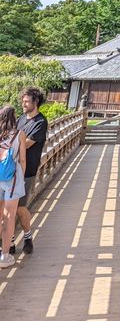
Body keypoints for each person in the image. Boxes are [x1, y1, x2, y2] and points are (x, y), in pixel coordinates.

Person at [11, 86, 48, 256]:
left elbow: (24, 144)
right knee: (6, 207)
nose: (23, 104)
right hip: (11, 169)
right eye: (23, 101)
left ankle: (27, 237)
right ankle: (10, 242)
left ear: (36, 102)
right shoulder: (20, 119)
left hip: (27, 171)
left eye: (26, 101)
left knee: (20, 207)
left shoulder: (40, 122)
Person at [0, 106, 26, 269]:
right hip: (12, 178)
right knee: (10, 217)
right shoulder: (19, 134)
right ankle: (5, 256)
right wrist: (20, 177)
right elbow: (22, 160)